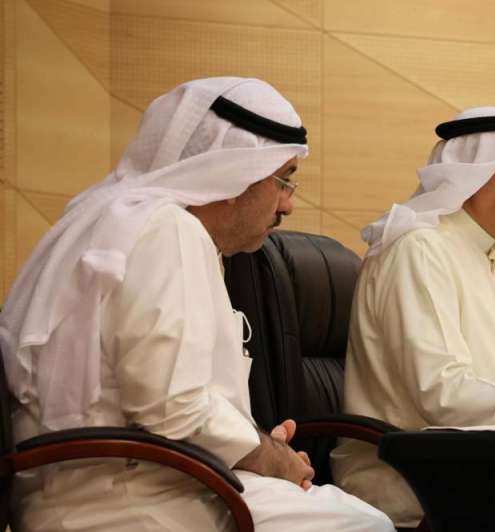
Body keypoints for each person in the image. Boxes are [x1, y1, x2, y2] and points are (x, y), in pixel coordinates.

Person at [0, 77, 393, 531]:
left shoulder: (131, 222)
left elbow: (172, 397)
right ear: (233, 175)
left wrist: (260, 445)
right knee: (365, 525)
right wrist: (269, 457)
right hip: (127, 501)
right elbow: (173, 408)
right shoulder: (167, 230)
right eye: (283, 181)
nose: (288, 205)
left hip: (148, 478)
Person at [331, 107, 495, 527]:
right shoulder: (419, 249)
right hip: (410, 479)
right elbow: (442, 394)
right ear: (474, 171)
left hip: (488, 467)